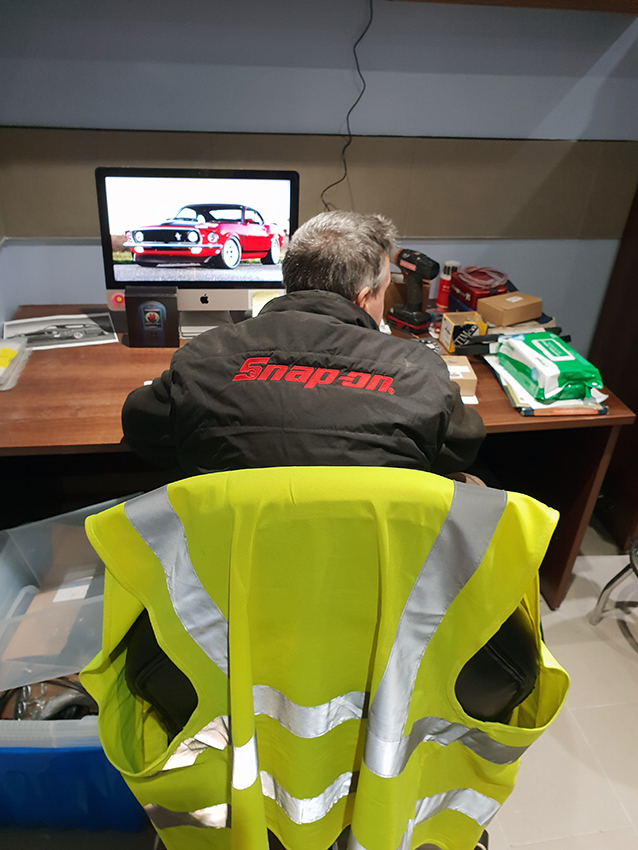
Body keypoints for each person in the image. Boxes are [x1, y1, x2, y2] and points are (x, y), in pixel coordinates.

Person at [121, 210, 485, 478]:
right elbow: (463, 447)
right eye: (384, 292)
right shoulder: (419, 372)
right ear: (363, 299)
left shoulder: (202, 357)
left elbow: (140, 426)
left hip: (231, 554)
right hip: (368, 553)